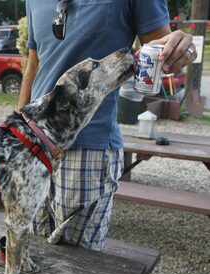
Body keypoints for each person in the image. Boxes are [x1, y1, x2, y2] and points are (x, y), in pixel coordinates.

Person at [19, 0, 197, 250]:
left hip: (88, 148)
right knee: (33, 249)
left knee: (77, 263)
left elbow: (163, 53)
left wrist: (181, 49)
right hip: (33, 146)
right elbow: (34, 63)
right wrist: (18, 127)